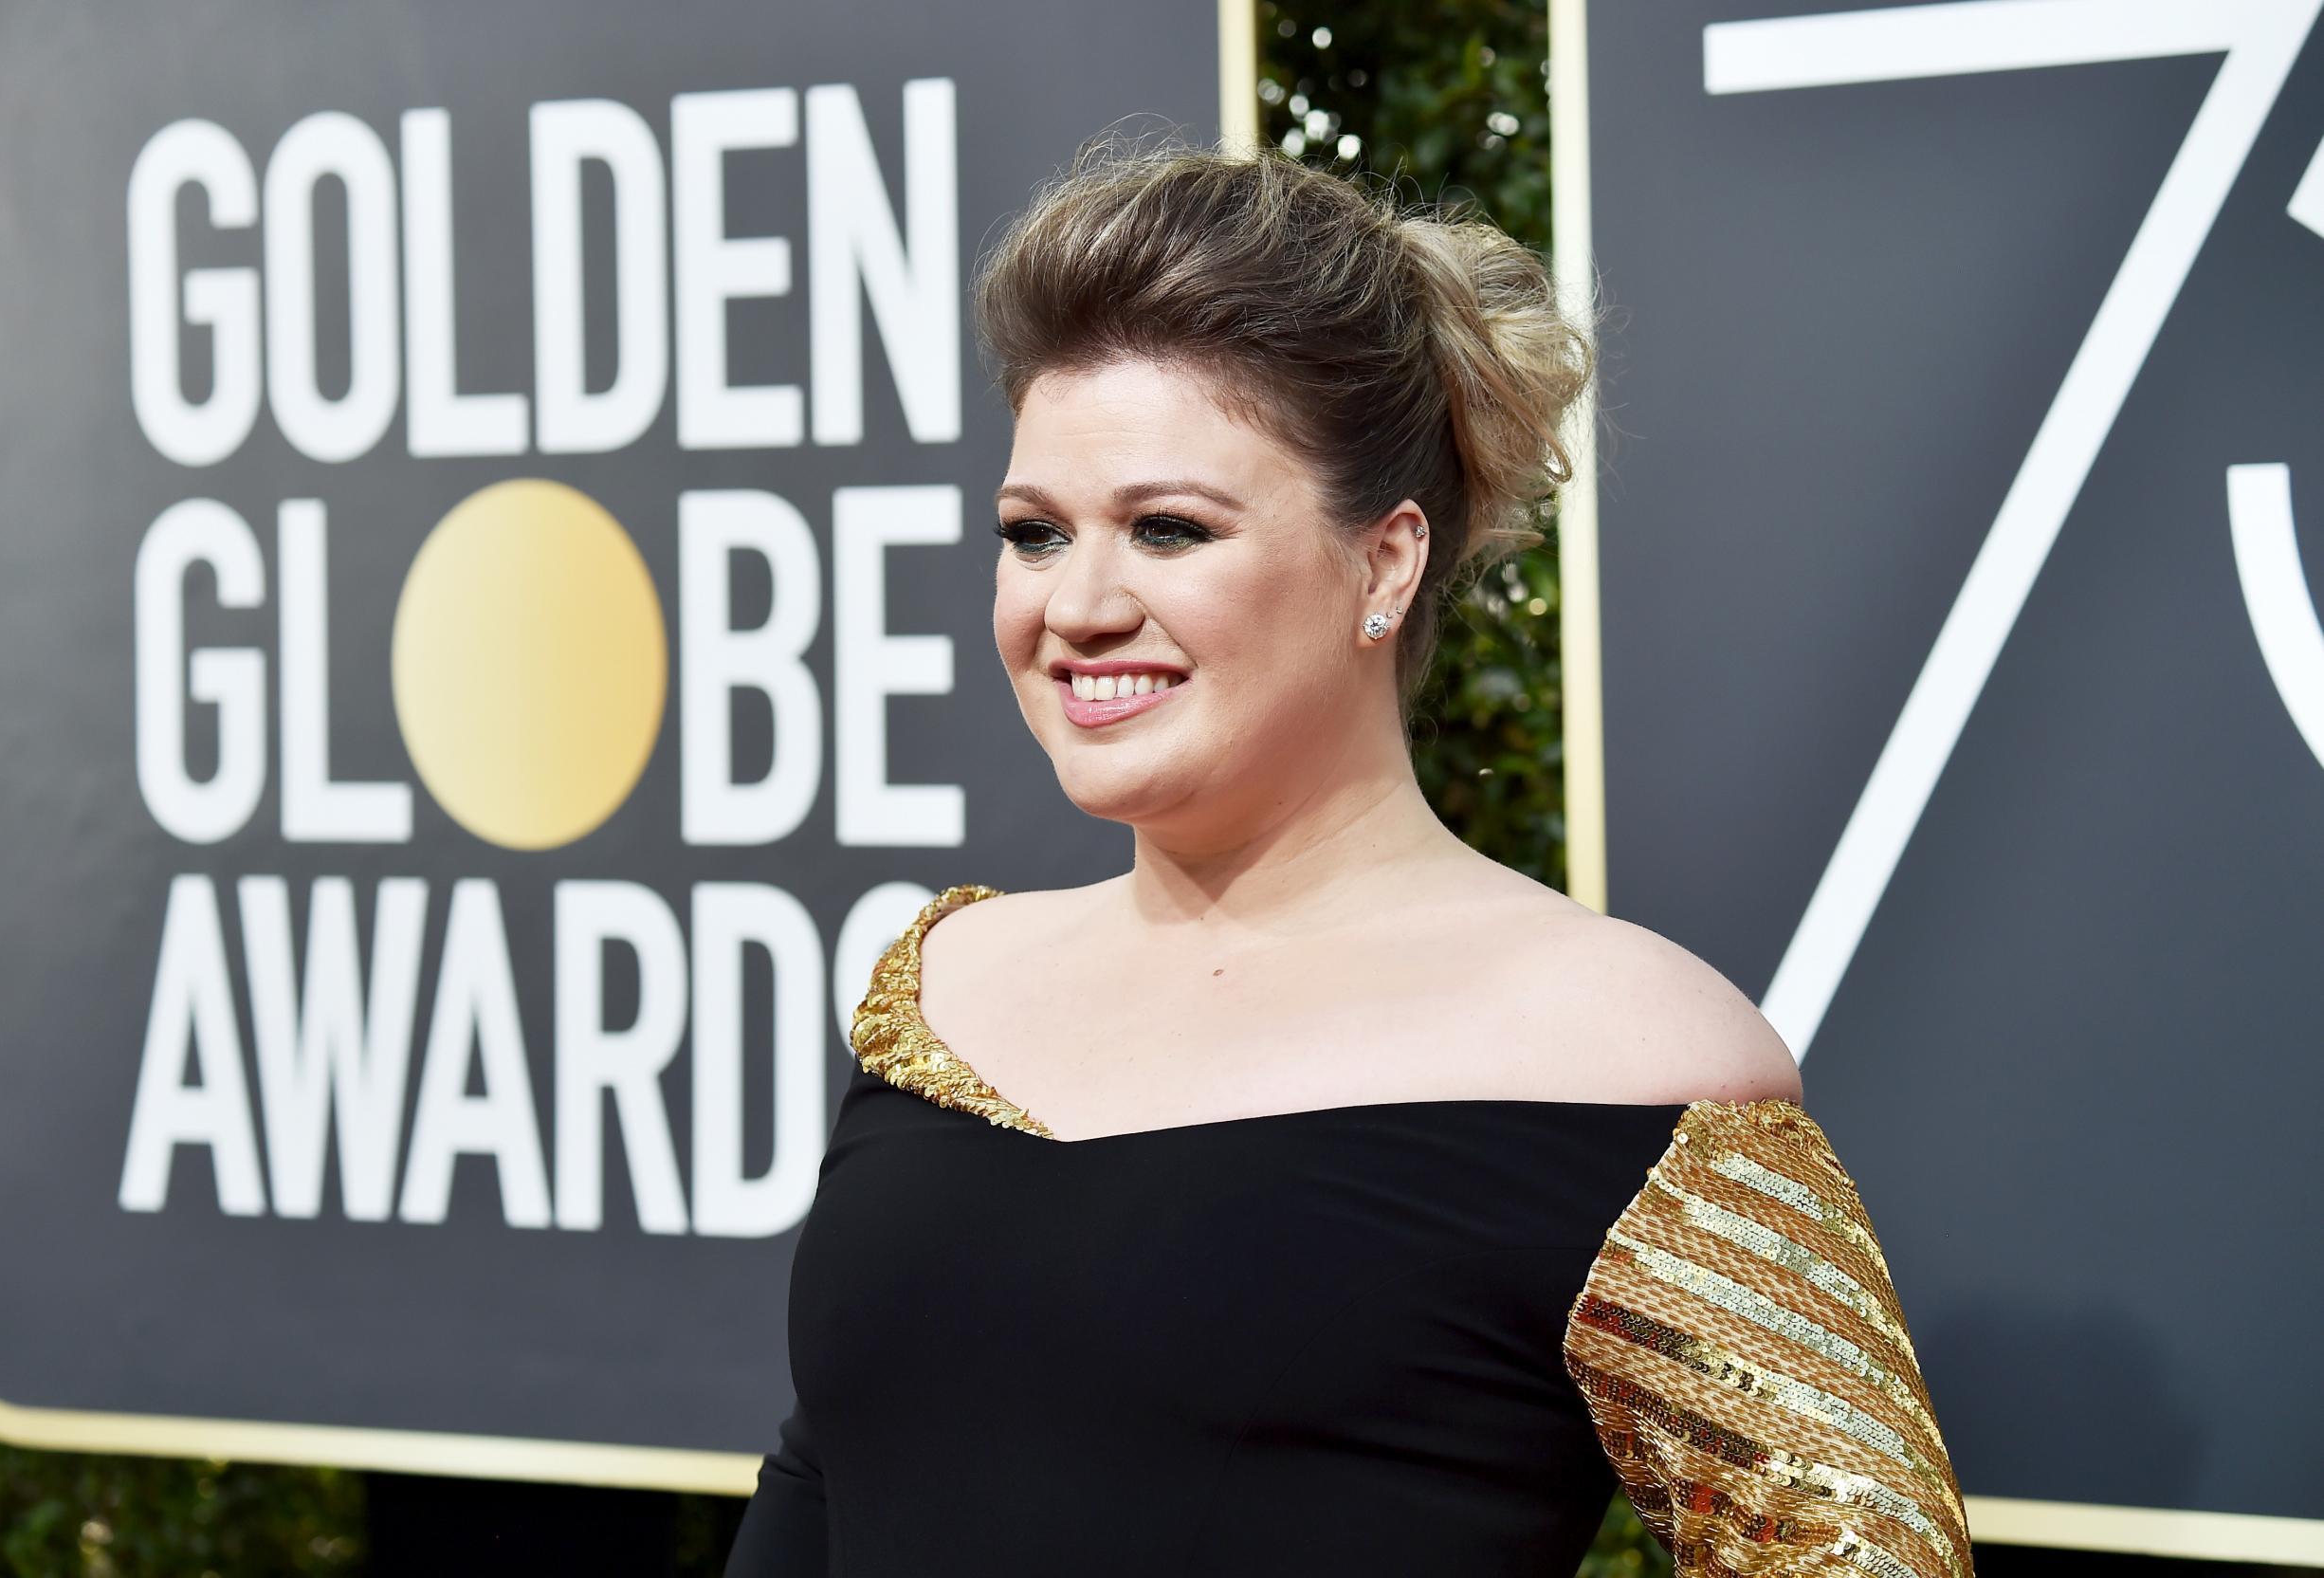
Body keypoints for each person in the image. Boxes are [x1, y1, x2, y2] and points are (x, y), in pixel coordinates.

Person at [725, 142, 1969, 1578]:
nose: (1077, 604)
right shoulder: (939, 992)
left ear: (1384, 564)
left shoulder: (1625, 1055)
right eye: (1033, 534)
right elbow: (830, 1480)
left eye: (1169, 528)